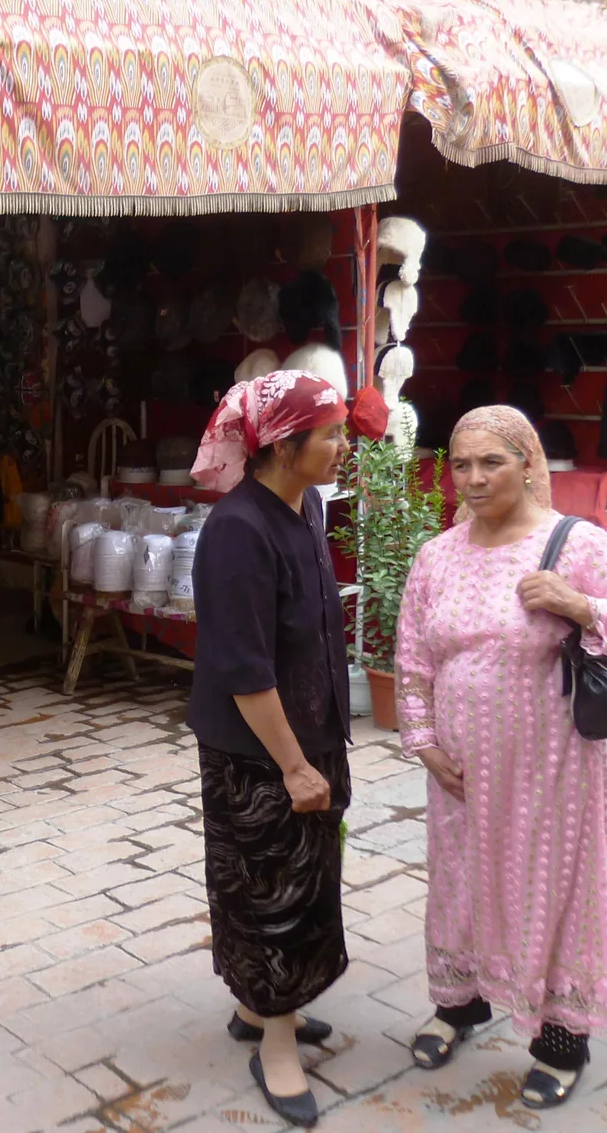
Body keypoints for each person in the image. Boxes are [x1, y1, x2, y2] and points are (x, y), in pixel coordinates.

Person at [395, 405, 607, 1108]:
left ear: (527, 464)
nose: (475, 478)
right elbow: (412, 658)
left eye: (493, 462)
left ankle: (560, 1039)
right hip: (459, 770)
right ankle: (461, 1004)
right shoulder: (438, 556)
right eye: (461, 464)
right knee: (460, 883)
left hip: (550, 767)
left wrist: (579, 605)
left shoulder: (572, 543)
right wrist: (423, 741)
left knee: (552, 889)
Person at [188, 370, 354, 1129]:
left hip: (312, 734)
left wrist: (316, 752)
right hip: (258, 754)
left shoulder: (306, 504)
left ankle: (261, 1009)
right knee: (271, 895)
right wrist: (291, 764)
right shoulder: (237, 530)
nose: (344, 447)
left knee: (310, 883)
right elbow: (243, 667)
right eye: (332, 435)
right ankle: (275, 1043)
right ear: (284, 446)